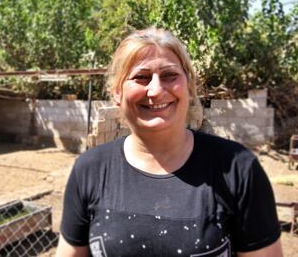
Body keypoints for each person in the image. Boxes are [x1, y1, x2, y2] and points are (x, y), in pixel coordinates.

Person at [55, 27, 282, 257]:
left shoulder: (237, 169)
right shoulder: (90, 170)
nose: (156, 90)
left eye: (169, 75)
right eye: (141, 77)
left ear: (189, 85)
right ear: (117, 92)